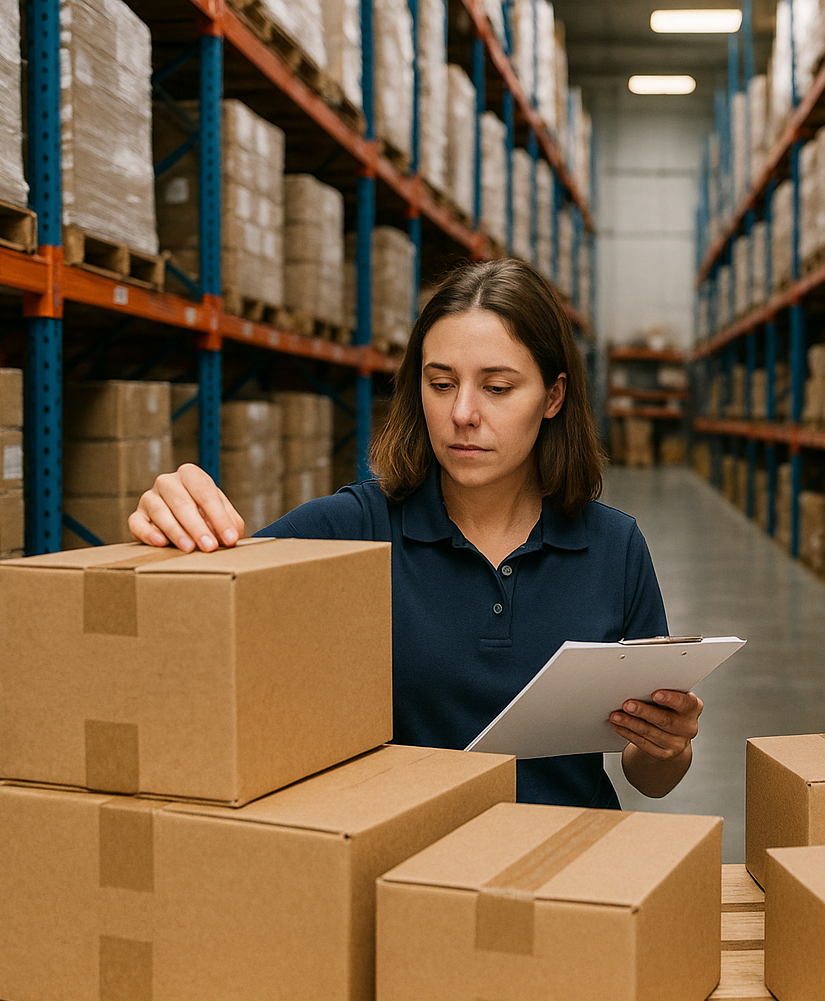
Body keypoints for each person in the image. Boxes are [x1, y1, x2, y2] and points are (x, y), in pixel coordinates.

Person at [130, 259, 700, 808]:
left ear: (553, 397)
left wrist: (667, 746)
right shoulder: (356, 530)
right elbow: (198, 603)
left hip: (567, 868)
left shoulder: (614, 548)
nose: (463, 413)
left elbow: (651, 779)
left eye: (498, 388)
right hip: (407, 873)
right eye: (441, 383)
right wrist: (168, 520)